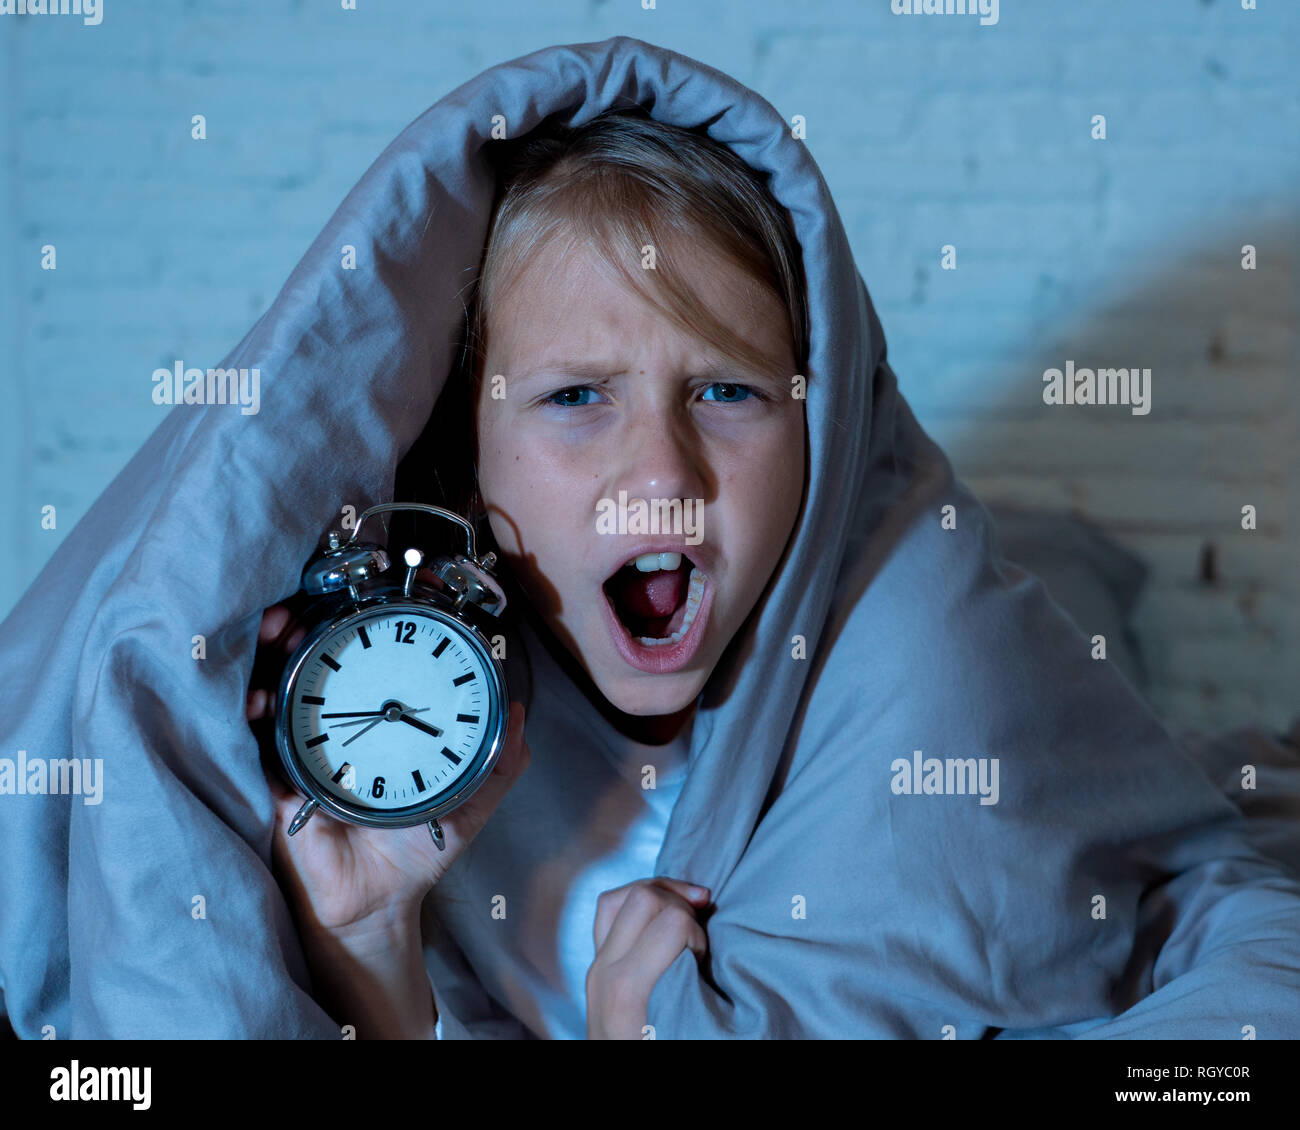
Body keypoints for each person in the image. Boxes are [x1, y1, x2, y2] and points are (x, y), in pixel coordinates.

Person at [244, 104, 809, 1039]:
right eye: (577, 395)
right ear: (467, 456)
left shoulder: (886, 709)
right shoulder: (422, 751)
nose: (665, 471)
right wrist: (372, 931)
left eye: (725, 389)